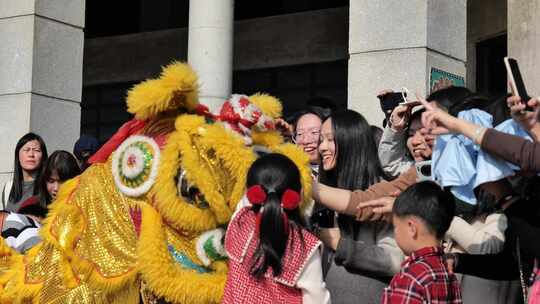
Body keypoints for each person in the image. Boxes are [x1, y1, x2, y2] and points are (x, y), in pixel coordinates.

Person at [315, 109, 404, 304]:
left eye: (330, 139)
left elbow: (395, 261)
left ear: (351, 142)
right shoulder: (325, 194)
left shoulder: (381, 193)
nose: (322, 147)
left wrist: (341, 244)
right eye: (320, 140)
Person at [222, 153, 330, 304]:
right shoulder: (305, 246)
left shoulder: (240, 221)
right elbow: (318, 300)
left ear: (250, 193)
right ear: (299, 194)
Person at [382, 181, 462, 303]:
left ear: (411, 228)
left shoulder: (412, 277)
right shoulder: (448, 274)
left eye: (395, 226)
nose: (395, 233)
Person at [1, 133, 48, 212]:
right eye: (26, 150)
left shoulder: (48, 187)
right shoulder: (9, 187)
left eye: (36, 150)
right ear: (18, 156)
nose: (31, 154)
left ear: (43, 157)